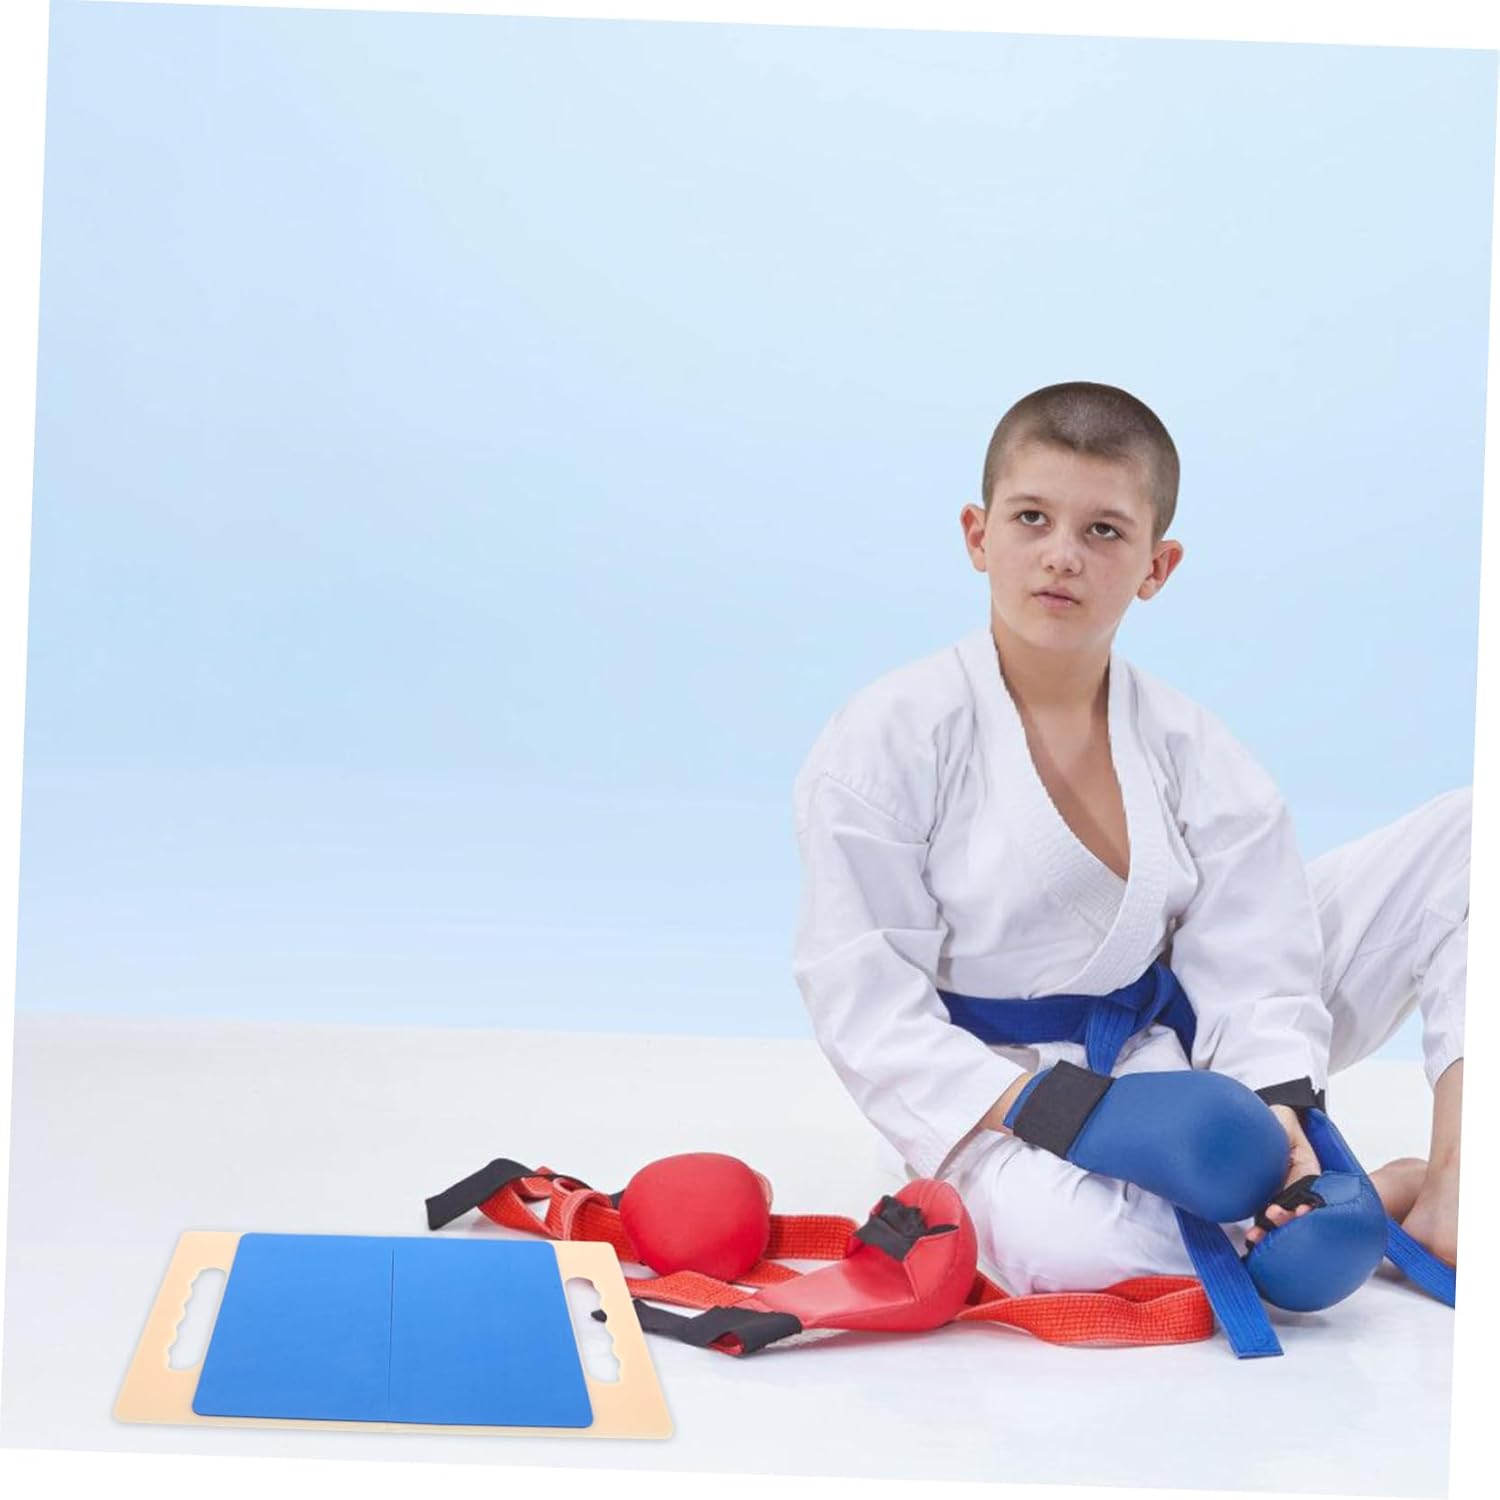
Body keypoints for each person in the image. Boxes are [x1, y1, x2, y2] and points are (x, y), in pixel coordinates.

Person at [791, 381, 1466, 1297]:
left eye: (1104, 530)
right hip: (995, 1090)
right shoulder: (888, 738)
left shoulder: (1195, 748)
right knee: (1076, 1253)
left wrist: (1282, 1111)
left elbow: (1255, 962)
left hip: (1178, 1046)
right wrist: (1070, 1110)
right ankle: (1369, 1199)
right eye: (1032, 518)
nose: (1062, 555)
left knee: (1474, 835)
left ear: (1157, 565)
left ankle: (1454, 1190)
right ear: (978, 535)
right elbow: (865, 1003)